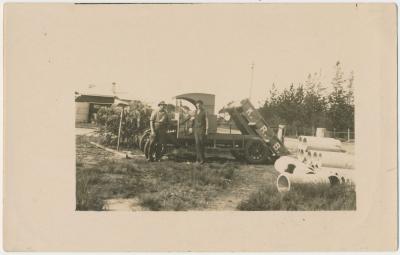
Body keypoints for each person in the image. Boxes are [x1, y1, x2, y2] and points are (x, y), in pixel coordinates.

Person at [192, 100, 209, 164]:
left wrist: (207, 129)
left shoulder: (204, 112)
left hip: (202, 129)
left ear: (201, 105)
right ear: (196, 105)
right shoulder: (195, 112)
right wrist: (191, 127)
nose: (198, 105)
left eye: (199, 104)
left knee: (201, 144)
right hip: (196, 130)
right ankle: (198, 159)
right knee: (197, 144)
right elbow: (193, 119)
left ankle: (202, 160)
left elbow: (207, 121)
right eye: (197, 104)